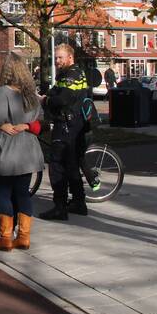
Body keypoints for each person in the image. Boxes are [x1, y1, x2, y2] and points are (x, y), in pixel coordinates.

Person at [0, 54, 44, 251]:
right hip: (28, 150)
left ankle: (5, 238)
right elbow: (40, 119)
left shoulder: (4, 91)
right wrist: (27, 125)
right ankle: (24, 237)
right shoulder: (30, 93)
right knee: (23, 194)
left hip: (8, 149)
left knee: (3, 193)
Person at [38, 44, 90, 221]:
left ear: (70, 58)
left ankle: (60, 207)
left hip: (67, 126)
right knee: (72, 165)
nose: (57, 61)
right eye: (56, 58)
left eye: (60, 58)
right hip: (74, 124)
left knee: (57, 166)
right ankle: (78, 202)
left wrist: (45, 101)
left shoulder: (72, 75)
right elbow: (55, 92)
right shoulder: (71, 73)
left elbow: (62, 99)